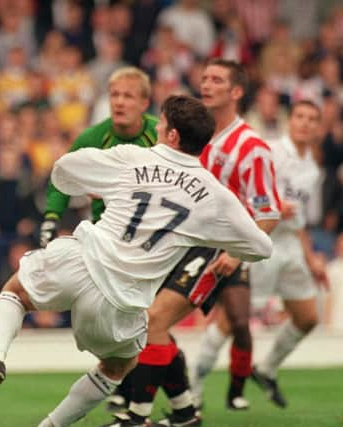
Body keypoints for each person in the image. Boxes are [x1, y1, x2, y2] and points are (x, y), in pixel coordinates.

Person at [0, 95, 273, 427]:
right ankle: (50, 426)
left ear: (173, 135)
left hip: (83, 259)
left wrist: (96, 186)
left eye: (160, 123)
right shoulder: (216, 196)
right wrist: (215, 238)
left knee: (15, 292)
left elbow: (63, 170)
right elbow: (261, 247)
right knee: (118, 367)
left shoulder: (132, 157)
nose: (156, 127)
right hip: (122, 299)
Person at [106, 59, 281, 427]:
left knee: (152, 320)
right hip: (176, 245)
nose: (206, 85)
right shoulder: (191, 133)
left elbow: (268, 212)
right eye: (204, 78)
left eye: (217, 80)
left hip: (213, 251)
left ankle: (137, 418)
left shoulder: (251, 147)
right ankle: (185, 413)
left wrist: (234, 254)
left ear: (235, 92)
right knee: (151, 324)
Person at [192, 100, 329, 409]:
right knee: (231, 322)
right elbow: (245, 193)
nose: (305, 123)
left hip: (291, 246)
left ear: (318, 127)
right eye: (300, 116)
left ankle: (265, 370)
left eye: (311, 119)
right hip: (260, 241)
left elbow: (300, 220)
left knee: (308, 317)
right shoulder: (269, 151)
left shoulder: (312, 168)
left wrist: (311, 258)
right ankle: (194, 389)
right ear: (289, 120)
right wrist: (274, 207)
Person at [40, 66, 157, 248]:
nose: (119, 102)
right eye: (114, 95)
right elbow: (61, 177)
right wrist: (51, 218)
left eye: (128, 96)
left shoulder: (161, 135)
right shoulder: (93, 137)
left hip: (152, 233)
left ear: (145, 103)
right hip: (103, 235)